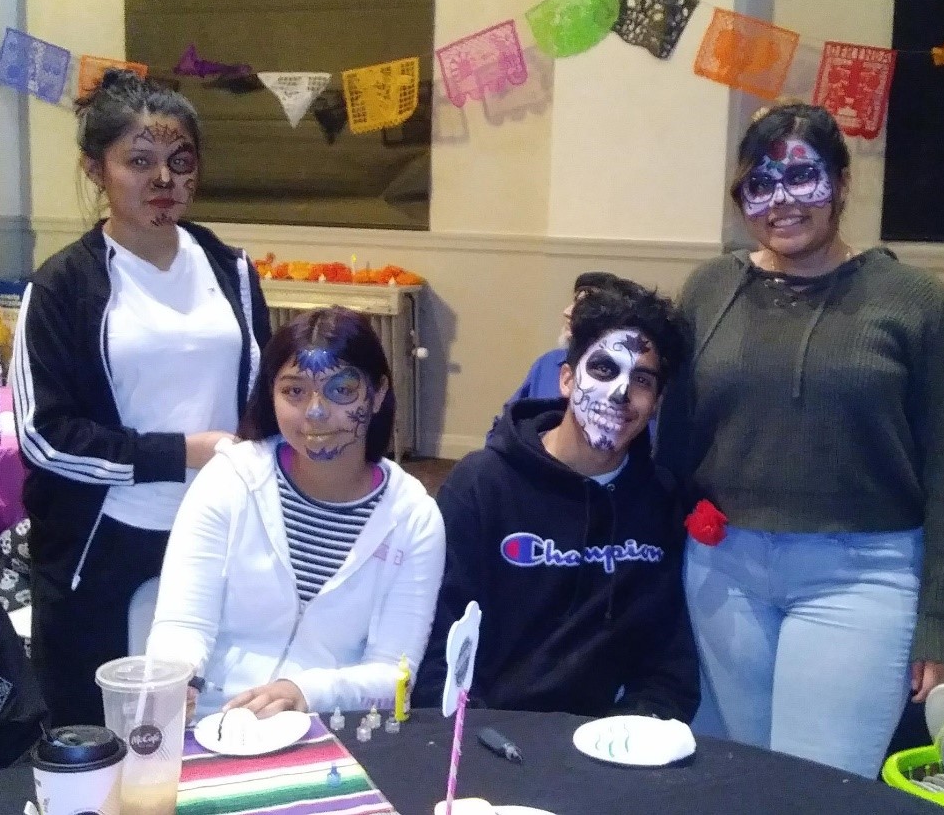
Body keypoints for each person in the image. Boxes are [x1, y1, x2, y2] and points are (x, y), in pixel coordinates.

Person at [655, 102, 944, 777]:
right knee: (742, 772)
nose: (782, 201)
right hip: (725, 572)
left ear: (840, 182)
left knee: (815, 786)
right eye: (760, 183)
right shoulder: (710, 289)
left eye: (802, 178)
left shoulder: (915, 303)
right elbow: (673, 444)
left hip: (861, 576)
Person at [10, 69, 271, 726]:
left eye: (179, 161)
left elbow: (261, 396)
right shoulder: (64, 286)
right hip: (103, 544)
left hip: (216, 530)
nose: (163, 180)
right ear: (96, 169)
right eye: (139, 161)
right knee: (98, 730)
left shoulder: (230, 270)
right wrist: (183, 452)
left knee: (210, 719)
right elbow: (44, 435)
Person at [414, 283, 699, 720]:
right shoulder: (481, 485)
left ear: (657, 402)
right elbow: (439, 650)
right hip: (485, 735)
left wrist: (633, 731)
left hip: (608, 747)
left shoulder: (660, 501)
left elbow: (667, 665)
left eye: (641, 380)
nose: (620, 394)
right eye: (604, 369)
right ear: (566, 379)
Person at [146, 306, 445, 720]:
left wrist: (305, 691)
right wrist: (179, 679)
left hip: (335, 730)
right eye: (294, 391)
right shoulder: (230, 480)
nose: (315, 412)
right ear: (271, 394)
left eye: (341, 390)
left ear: (377, 395)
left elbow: (395, 675)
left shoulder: (413, 517)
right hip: (215, 719)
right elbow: (182, 625)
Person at [486, 272, 619, 442]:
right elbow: (506, 423)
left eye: (582, 305)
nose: (567, 312)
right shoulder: (547, 363)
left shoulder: (619, 379)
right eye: (573, 302)